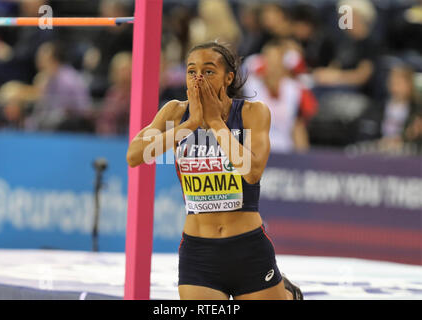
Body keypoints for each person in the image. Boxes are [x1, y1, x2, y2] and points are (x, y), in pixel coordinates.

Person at [126, 41, 302, 300]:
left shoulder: (253, 112)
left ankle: (286, 293)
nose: (198, 78)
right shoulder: (175, 112)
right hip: (199, 253)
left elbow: (252, 172)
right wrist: (192, 124)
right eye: (191, 71)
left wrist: (215, 123)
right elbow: (134, 156)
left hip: (247, 248)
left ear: (228, 77)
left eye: (208, 71)